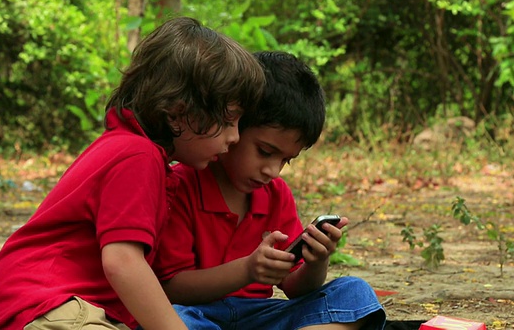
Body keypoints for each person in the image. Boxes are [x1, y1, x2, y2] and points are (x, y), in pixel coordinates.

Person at [0, 17, 265, 330]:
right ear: (178, 112)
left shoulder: (130, 149)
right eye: (227, 121)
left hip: (64, 308)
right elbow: (123, 263)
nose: (234, 137)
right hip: (50, 303)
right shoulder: (137, 157)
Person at [152, 51, 386, 329]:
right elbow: (170, 287)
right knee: (173, 320)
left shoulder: (276, 194)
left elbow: (295, 287)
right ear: (232, 124)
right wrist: (247, 270)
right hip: (196, 315)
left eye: (286, 160)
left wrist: (315, 261)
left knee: (354, 293)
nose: (273, 170)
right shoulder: (180, 185)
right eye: (264, 152)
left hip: (260, 316)